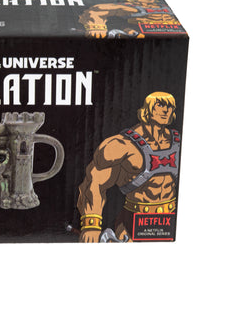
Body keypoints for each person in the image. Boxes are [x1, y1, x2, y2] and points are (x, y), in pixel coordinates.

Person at [77, 91, 180, 242]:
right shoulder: (122, 145)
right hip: (131, 226)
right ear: (148, 109)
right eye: (160, 105)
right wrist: (91, 225)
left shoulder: (179, 142)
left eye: (170, 107)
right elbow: (95, 182)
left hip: (169, 222)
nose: (166, 110)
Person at [78, 0, 181, 38]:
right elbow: (96, 10)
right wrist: (96, 27)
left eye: (149, 1)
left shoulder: (163, 8)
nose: (146, 2)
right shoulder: (130, 8)